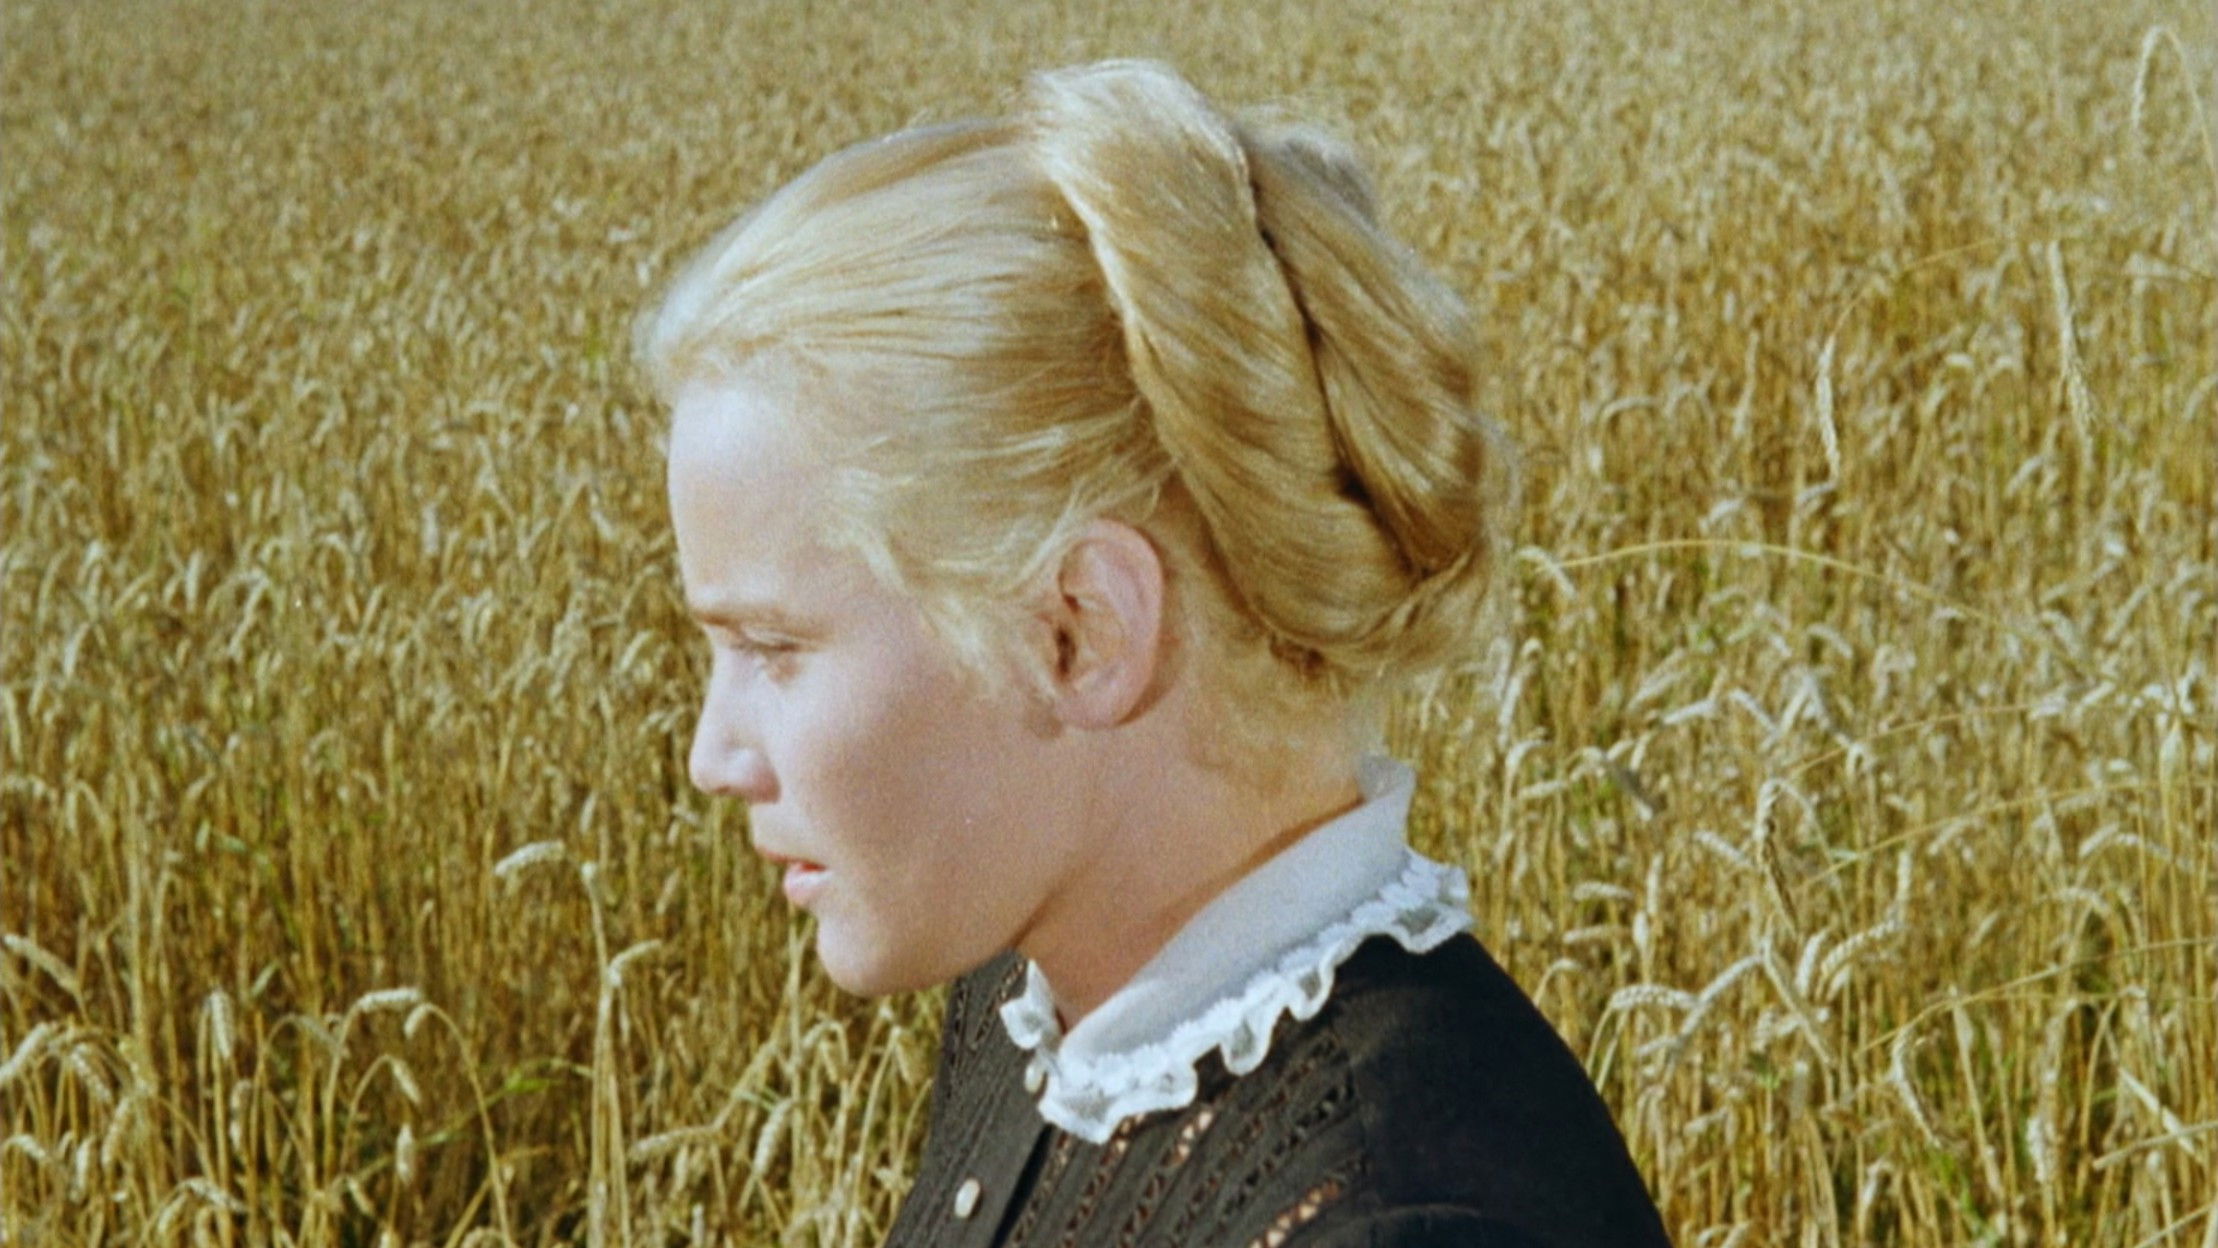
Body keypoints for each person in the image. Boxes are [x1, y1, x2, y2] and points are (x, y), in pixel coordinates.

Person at [638, 59, 1671, 1247]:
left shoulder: (1403, 1220)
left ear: (1081, 632)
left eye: (772, 648)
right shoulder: (1043, 1008)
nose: (713, 756)